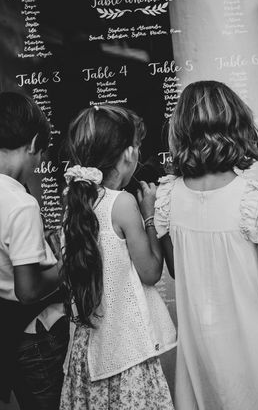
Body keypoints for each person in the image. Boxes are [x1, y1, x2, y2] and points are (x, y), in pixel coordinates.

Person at [154, 80, 258, 409]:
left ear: (181, 130)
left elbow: (178, 270)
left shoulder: (166, 197)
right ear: (237, 127)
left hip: (205, 347)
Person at [58, 105, 176, 409]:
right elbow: (150, 272)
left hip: (87, 355)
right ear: (127, 154)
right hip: (125, 353)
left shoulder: (74, 204)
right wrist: (151, 216)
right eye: (137, 145)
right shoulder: (122, 203)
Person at [0, 91, 68, 410]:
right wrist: (66, 265)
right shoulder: (21, 204)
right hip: (33, 338)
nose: (40, 163)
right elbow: (28, 290)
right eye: (42, 153)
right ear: (34, 143)